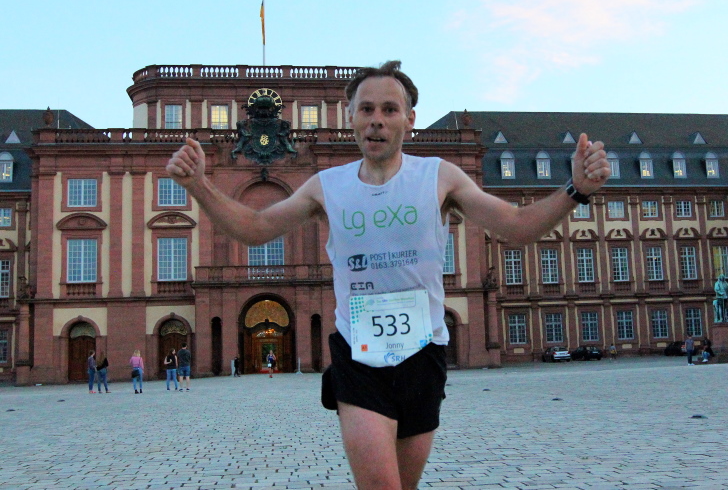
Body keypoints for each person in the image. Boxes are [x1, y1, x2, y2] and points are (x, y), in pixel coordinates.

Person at [167, 60, 611, 489]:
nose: (376, 120)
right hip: (357, 354)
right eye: (366, 109)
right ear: (351, 119)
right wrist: (199, 185)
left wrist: (576, 190)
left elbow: (516, 226)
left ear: (409, 119)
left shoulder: (439, 177)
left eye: (389, 109)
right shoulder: (327, 185)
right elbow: (256, 228)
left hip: (423, 352)